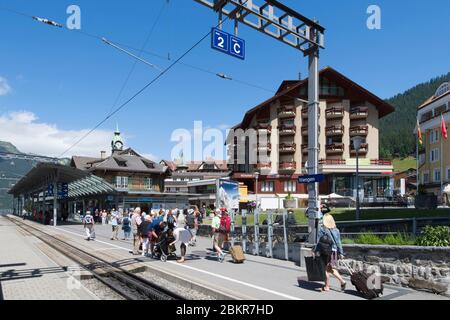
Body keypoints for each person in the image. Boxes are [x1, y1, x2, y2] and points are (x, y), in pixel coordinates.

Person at [314, 213, 347, 292]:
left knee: (325, 269)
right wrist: (341, 253)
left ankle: (327, 286)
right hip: (334, 252)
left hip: (326, 252)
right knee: (331, 268)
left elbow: (319, 242)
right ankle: (342, 281)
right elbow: (338, 242)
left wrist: (315, 251)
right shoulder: (336, 230)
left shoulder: (322, 229)